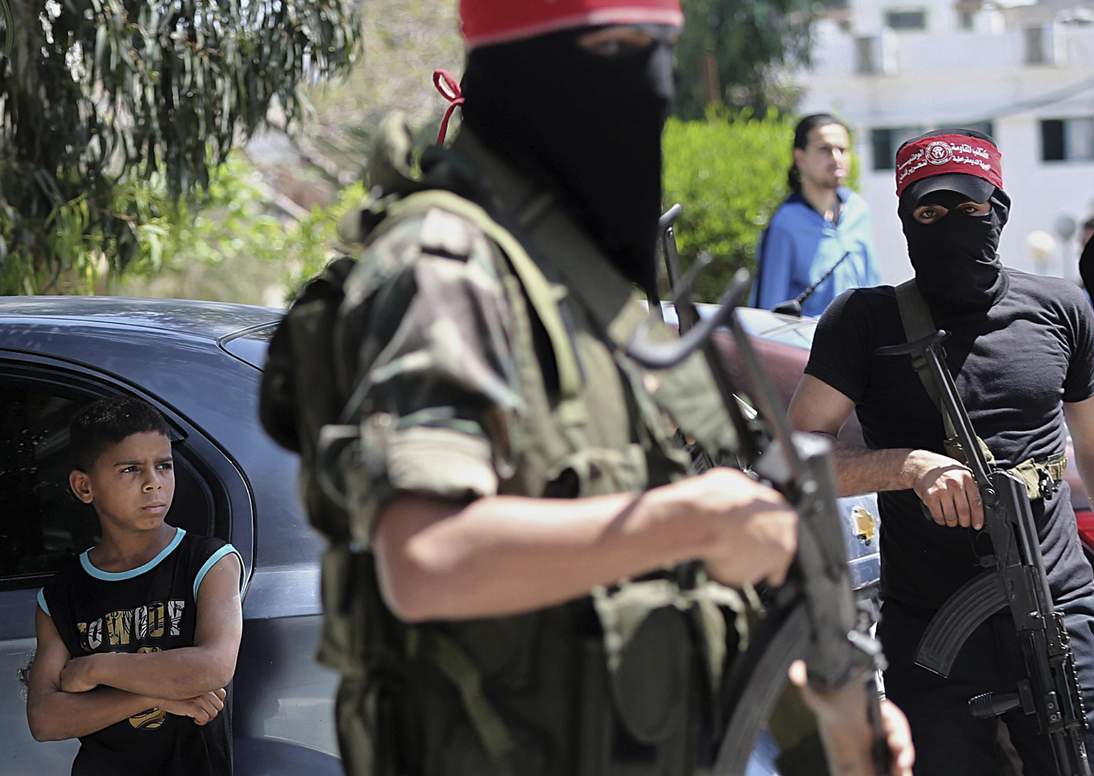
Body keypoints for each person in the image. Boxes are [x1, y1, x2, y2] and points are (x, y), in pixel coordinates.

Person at [258, 2, 912, 775]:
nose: (654, 82)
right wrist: (696, 520)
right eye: (620, 46)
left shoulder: (586, 297)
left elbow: (658, 574)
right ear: (523, 67)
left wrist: (820, 713)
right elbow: (426, 559)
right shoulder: (446, 264)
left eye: (663, 48)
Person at [788, 128, 1094, 775]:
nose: (951, 226)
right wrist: (906, 467)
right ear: (904, 220)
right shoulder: (864, 322)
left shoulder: (1058, 308)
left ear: (1000, 210)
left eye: (970, 208)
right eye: (929, 213)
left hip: (1056, 607)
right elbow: (796, 457)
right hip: (931, 625)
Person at [25, 397, 244, 775]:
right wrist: (150, 695)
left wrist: (94, 668)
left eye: (163, 466)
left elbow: (213, 667)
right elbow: (45, 719)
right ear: (84, 486)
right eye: (130, 469)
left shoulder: (208, 562)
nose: (153, 483)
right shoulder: (61, 596)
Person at [752, 114, 880, 317]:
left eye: (842, 150)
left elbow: (874, 286)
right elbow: (769, 309)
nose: (836, 158)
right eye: (825, 149)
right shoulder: (785, 223)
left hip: (862, 335)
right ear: (800, 158)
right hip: (807, 337)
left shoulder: (859, 210)